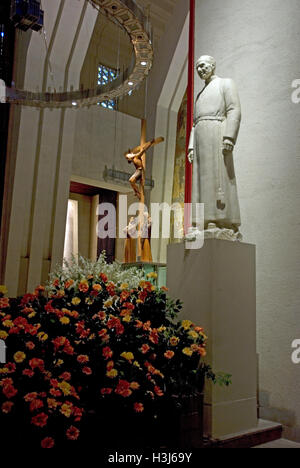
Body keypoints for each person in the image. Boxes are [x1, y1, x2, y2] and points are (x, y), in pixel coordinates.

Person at [188, 55, 242, 235]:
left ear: (213, 65)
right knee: (199, 181)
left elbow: (234, 109)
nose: (200, 70)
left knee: (215, 178)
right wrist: (190, 147)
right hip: (200, 139)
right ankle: (201, 220)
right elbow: (195, 124)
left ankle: (217, 219)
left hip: (216, 134)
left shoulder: (225, 83)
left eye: (203, 66)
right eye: (197, 68)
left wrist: (229, 137)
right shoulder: (199, 94)